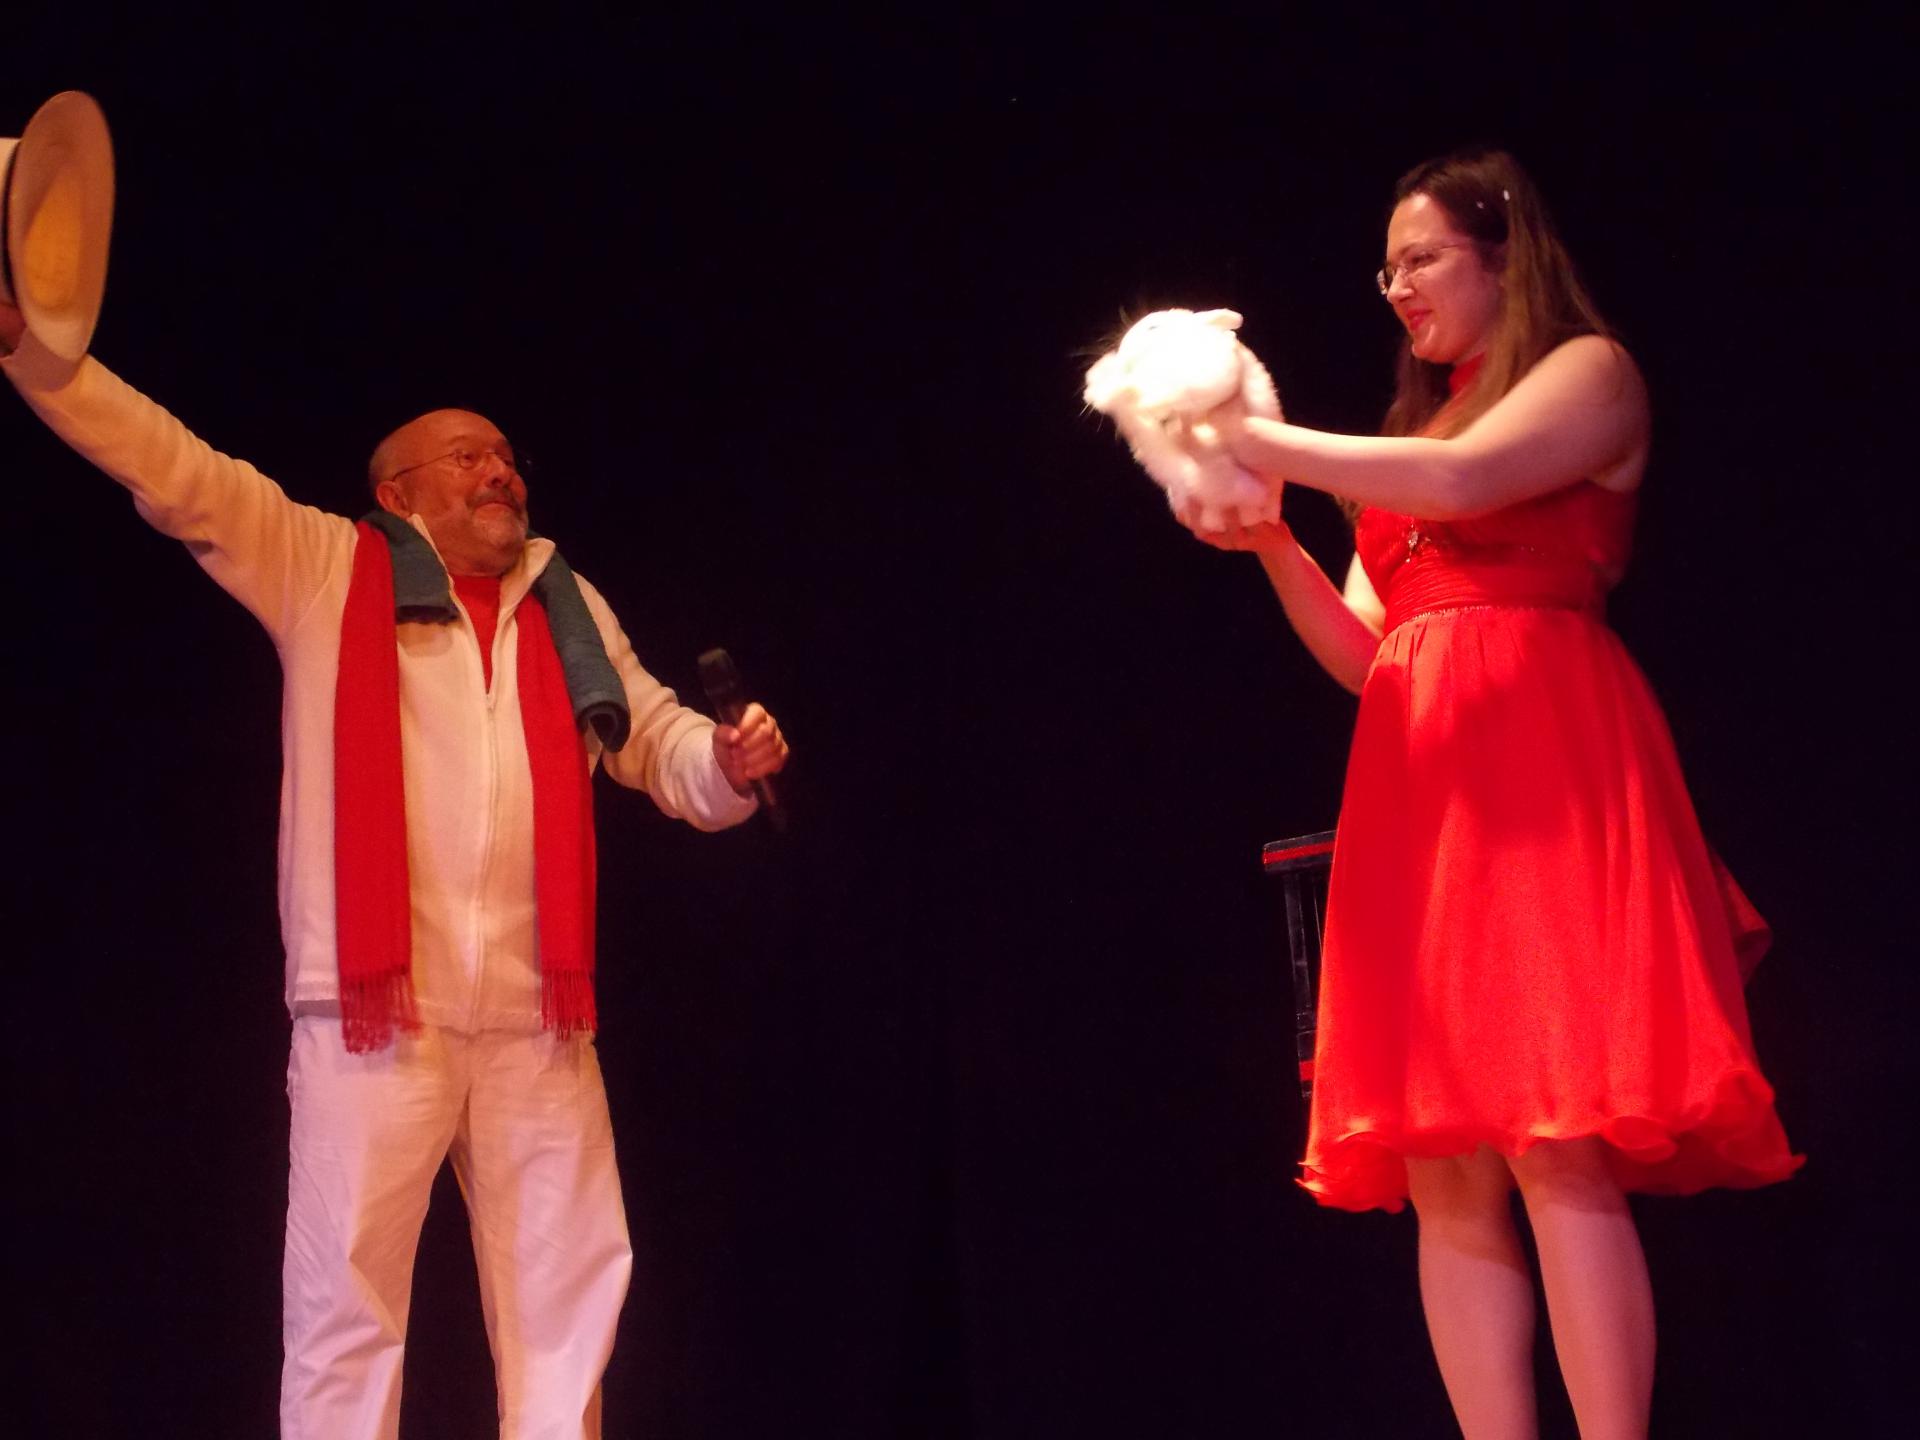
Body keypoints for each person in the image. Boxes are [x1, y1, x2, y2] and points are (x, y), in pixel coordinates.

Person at [0, 299, 790, 1440]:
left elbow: (659, 743)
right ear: (398, 492)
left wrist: (724, 764)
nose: (499, 472)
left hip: (537, 1021)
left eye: (505, 457)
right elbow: (177, 469)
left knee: (568, 1310)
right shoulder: (323, 567)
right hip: (374, 1019)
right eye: (465, 457)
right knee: (346, 1311)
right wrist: (38, 357)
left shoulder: (566, 605)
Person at [1172, 149, 1799, 1439]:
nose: (1397, 286)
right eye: (1385, 270)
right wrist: (1270, 536)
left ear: (1504, 256)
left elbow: (1462, 487)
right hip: (1423, 786)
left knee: (1552, 1134)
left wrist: (1244, 435)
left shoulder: (1589, 373)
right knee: (1446, 1165)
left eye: (1422, 259)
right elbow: (1370, 653)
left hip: (1539, 767)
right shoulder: (1407, 442)